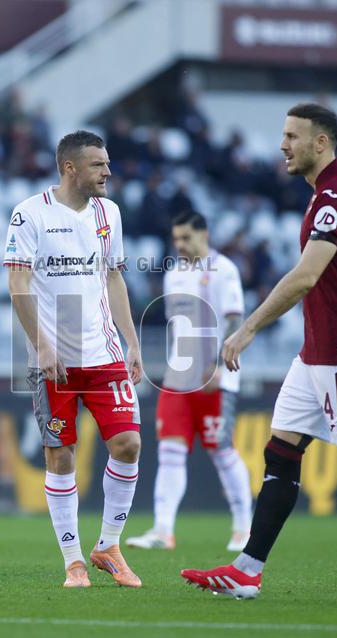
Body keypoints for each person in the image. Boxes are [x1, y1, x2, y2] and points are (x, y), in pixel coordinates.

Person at [180, 103, 337, 604]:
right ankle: (248, 570)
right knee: (281, 450)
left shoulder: (335, 195)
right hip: (318, 350)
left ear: (322, 142)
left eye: (293, 135)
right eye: (283, 134)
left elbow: (306, 276)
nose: (283, 144)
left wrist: (246, 329)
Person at [5, 131, 144, 588]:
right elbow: (18, 285)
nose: (108, 172)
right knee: (59, 454)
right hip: (54, 360)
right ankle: (73, 561)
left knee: (128, 444)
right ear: (70, 168)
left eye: (107, 163)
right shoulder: (30, 213)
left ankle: (107, 545)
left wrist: (132, 341)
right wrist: (41, 345)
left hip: (103, 354)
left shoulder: (110, 213)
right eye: (99, 165)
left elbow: (113, 278)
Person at [126, 211, 252, 552]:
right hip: (178, 378)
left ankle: (244, 528)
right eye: (176, 239)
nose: (180, 245)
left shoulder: (223, 270)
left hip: (214, 378)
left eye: (186, 238)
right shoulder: (174, 274)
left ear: (204, 234)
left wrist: (216, 367)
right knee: (169, 452)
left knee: (222, 451)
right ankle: (163, 530)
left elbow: (234, 318)